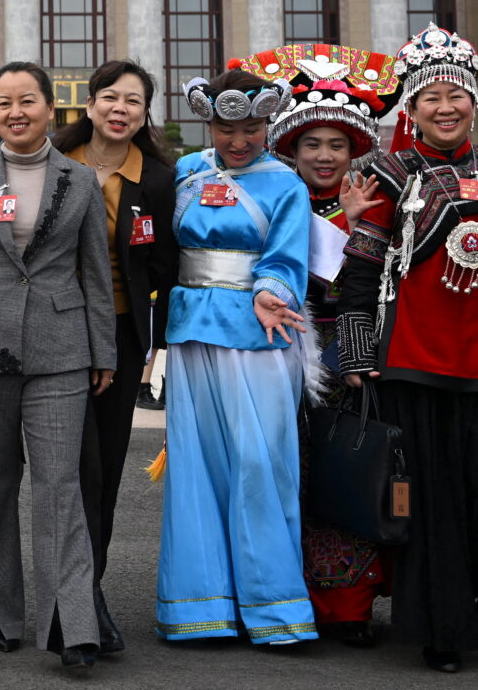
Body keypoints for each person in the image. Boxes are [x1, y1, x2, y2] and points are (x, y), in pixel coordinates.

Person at [336, 24, 478, 673]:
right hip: (413, 363)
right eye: (429, 96)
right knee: (426, 505)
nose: (444, 106)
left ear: (474, 101)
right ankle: (443, 624)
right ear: (411, 107)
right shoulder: (386, 173)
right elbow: (361, 268)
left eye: (455, 94)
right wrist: (355, 351)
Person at [0, 61, 113, 670]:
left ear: (51, 108)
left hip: (62, 349)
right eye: (4, 102)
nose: (15, 112)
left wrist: (102, 350)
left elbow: (96, 274)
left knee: (60, 486)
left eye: (27, 100)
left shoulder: (81, 180)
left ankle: (73, 624)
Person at [237, 43, 403, 645]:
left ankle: (349, 604)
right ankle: (273, 595)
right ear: (292, 149)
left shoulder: (382, 203)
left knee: (350, 471)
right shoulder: (266, 197)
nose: (325, 155)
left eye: (337, 144)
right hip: (271, 353)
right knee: (277, 474)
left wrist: (358, 230)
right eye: (312, 144)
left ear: (354, 150)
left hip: (351, 358)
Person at [155, 67, 316, 647]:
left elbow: (286, 255)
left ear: (268, 124)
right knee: (195, 468)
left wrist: (271, 291)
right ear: (209, 124)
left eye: (251, 127)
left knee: (260, 463)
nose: (239, 140)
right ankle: (201, 604)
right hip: (192, 331)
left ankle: (275, 608)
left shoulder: (286, 184)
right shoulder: (186, 172)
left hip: (258, 332)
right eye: (227, 128)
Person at [55, 59, 176, 653]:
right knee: (65, 471)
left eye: (134, 100)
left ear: (145, 113)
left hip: (121, 340)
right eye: (110, 97)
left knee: (100, 471)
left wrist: (155, 347)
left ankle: (89, 592)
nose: (120, 108)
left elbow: (165, 267)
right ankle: (67, 594)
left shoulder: (155, 180)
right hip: (50, 336)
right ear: (90, 104)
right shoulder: (53, 164)